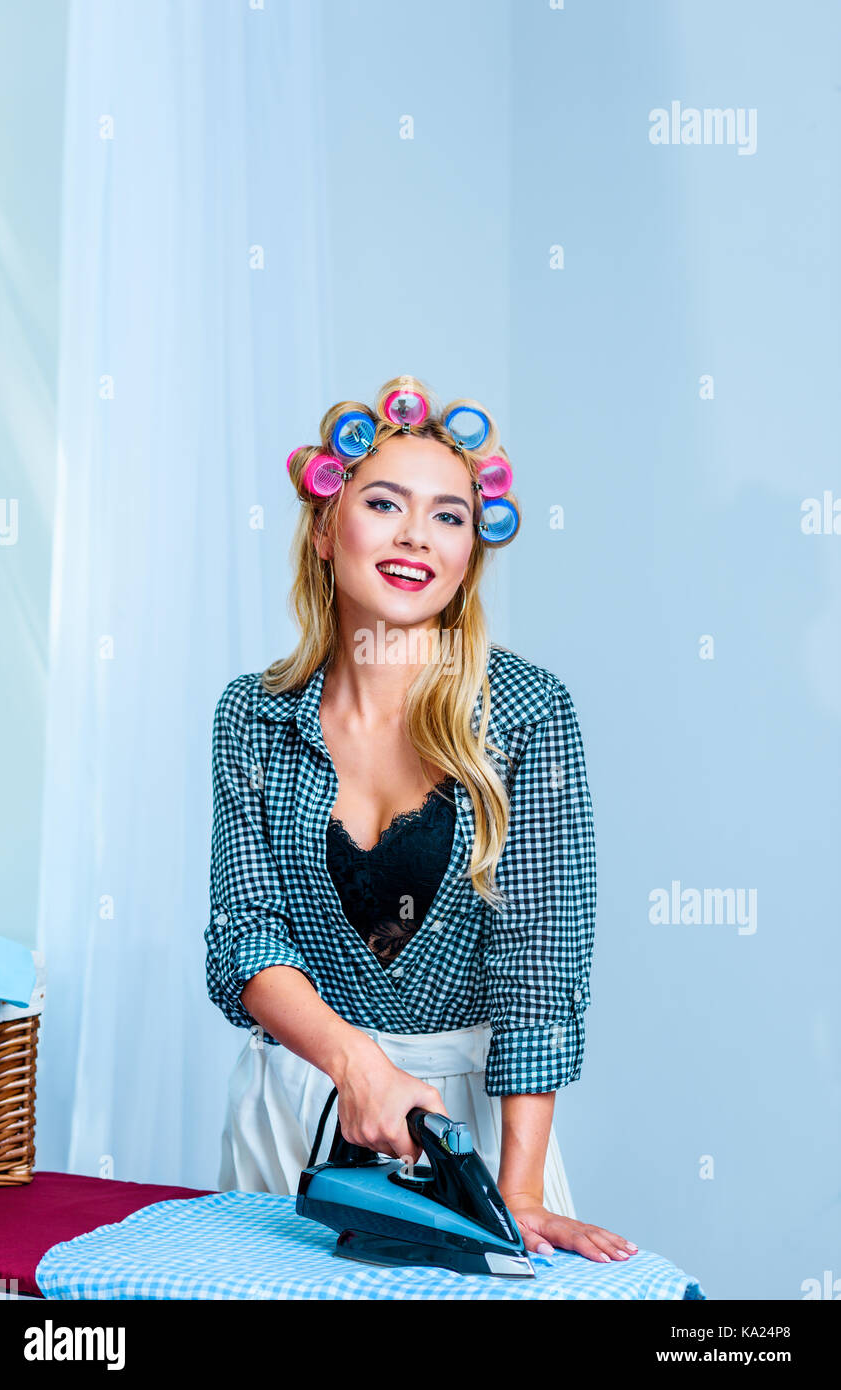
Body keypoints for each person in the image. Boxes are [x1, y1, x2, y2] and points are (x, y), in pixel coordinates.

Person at [205, 375, 637, 1264]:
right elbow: (244, 937)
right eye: (385, 503)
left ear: (471, 551)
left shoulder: (526, 713)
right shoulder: (253, 715)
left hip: (471, 1133)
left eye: (448, 515)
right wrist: (355, 1064)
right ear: (326, 531)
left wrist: (515, 1189)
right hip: (292, 1108)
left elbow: (540, 965)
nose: (416, 536)